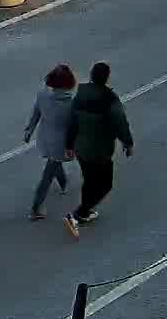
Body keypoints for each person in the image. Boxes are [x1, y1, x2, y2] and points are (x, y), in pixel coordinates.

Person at [64, 61, 133, 239]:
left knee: (89, 180)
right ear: (106, 78)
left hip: (81, 148)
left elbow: (72, 122)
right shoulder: (109, 99)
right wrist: (128, 142)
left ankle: (84, 213)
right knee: (105, 183)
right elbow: (120, 123)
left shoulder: (80, 95)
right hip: (100, 150)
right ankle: (79, 213)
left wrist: (69, 145)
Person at [23, 64, 77, 221]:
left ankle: (63, 183)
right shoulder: (72, 103)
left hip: (45, 139)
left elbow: (36, 114)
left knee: (53, 163)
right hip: (62, 145)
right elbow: (74, 127)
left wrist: (29, 130)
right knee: (47, 176)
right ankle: (35, 209)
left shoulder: (42, 96)